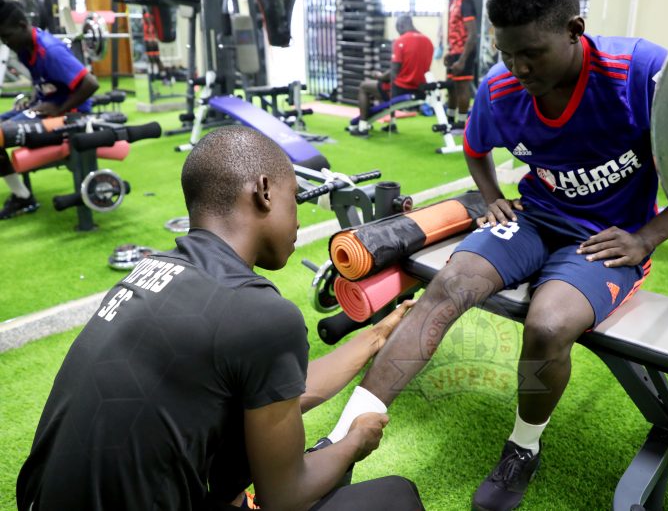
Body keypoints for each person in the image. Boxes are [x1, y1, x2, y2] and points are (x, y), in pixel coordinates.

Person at [319, 0, 668, 510]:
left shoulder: (638, 72)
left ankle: (523, 446)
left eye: (532, 53)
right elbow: (475, 148)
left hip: (606, 238)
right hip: (533, 218)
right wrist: (492, 197)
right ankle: (340, 442)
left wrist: (647, 237)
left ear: (574, 30)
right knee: (447, 286)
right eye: (506, 53)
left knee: (547, 324)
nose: (518, 68)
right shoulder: (499, 88)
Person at [16, 125, 425, 510]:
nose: (299, 219)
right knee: (395, 496)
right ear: (264, 191)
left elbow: (279, 391)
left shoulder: (152, 271)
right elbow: (284, 496)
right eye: (295, 199)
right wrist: (354, 441)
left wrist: (376, 335)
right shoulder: (259, 311)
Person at [0, 0, 99, 220]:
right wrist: (34, 99)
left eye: (7, 36)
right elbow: (47, 83)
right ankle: (22, 196)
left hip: (72, 117)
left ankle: (23, 198)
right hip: (46, 109)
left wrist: (59, 109)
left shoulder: (50, 50)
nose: (5, 42)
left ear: (22, 26)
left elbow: (91, 84)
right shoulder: (25, 47)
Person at [348, 14, 433, 137]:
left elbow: (394, 72)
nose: (398, 32)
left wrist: (379, 76)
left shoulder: (401, 41)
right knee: (384, 85)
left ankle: (362, 127)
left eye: (398, 29)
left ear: (401, 25)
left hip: (401, 90)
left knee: (364, 86)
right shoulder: (428, 41)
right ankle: (392, 124)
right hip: (420, 89)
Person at [440, 0, 478, 129]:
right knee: (451, 86)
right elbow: (455, 31)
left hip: (465, 53)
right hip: (455, 52)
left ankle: (462, 123)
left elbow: (472, 34)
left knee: (462, 87)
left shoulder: (466, 1)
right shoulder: (454, 2)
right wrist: (450, 52)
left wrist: (462, 60)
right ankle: (450, 120)